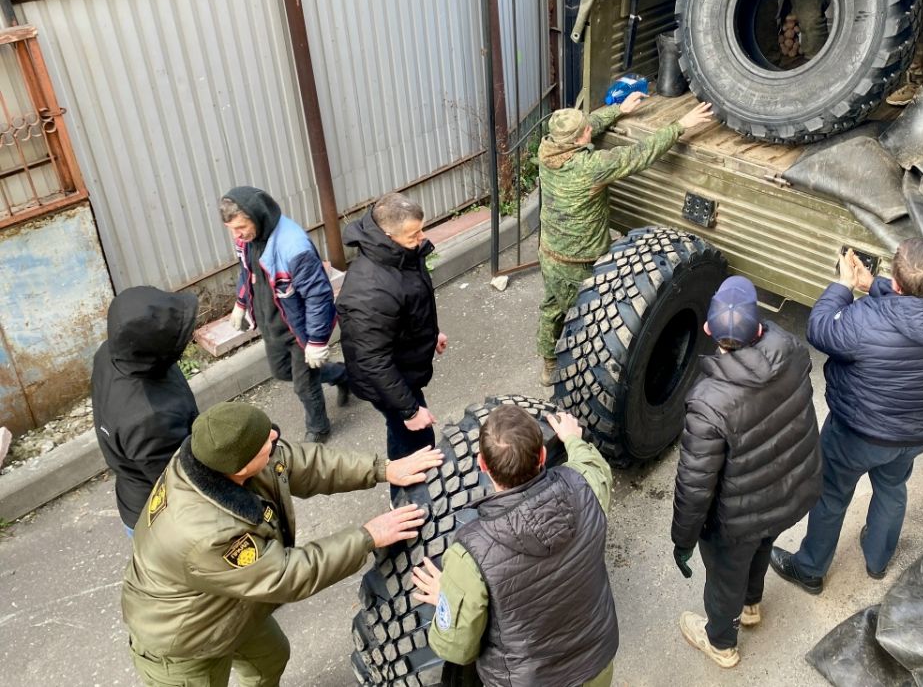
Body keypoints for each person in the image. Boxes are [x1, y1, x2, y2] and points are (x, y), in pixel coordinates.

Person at [122, 401, 441, 687]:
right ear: (240, 468)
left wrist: (383, 469)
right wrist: (367, 536)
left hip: (230, 606)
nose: (275, 438)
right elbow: (285, 575)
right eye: (266, 443)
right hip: (184, 638)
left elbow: (298, 463)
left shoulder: (217, 454)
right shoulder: (207, 535)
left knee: (270, 659)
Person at [770, 238, 923, 592]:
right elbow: (917, 306)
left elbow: (820, 329)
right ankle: (877, 560)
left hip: (857, 433)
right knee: (892, 487)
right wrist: (874, 286)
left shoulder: (866, 320)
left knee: (831, 494)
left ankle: (809, 569)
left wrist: (843, 286)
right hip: (919, 433)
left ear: (897, 285)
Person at [671, 276, 823, 669]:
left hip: (737, 517)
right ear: (758, 327)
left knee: (726, 576)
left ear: (708, 330)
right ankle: (752, 605)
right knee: (762, 542)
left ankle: (720, 643)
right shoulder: (791, 350)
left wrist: (683, 539)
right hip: (787, 492)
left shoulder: (708, 403)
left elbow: (695, 485)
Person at [411, 407, 618, 686]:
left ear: (482, 464)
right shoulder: (586, 488)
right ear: (542, 456)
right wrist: (573, 439)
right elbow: (594, 466)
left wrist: (448, 598)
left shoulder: (470, 555)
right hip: (597, 666)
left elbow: (458, 649)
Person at [537, 94, 714, 384]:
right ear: (575, 141)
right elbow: (639, 154)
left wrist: (619, 109)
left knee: (552, 306)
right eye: (584, 131)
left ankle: (548, 363)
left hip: (549, 252)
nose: (589, 129)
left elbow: (590, 123)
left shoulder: (548, 149)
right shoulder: (590, 166)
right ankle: (584, 374)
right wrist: (681, 125)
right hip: (578, 262)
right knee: (588, 319)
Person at [337, 192, 445, 505]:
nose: (422, 238)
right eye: (414, 234)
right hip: (388, 381)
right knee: (416, 441)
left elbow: (411, 303)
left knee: (406, 435)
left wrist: (431, 333)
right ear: (388, 235)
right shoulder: (369, 291)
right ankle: (407, 503)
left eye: (421, 229)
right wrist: (409, 410)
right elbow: (373, 361)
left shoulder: (400, 253)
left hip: (400, 368)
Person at [220, 186, 350, 443]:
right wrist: (241, 302)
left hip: (299, 329)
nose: (237, 235)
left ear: (257, 216)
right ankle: (341, 374)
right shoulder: (247, 239)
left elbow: (318, 295)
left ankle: (319, 428)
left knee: (304, 384)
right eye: (231, 229)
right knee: (281, 371)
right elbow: (247, 271)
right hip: (272, 324)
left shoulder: (293, 246)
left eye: (241, 227)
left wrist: (316, 340)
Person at [92, 286, 201, 537]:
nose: (189, 336)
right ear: (152, 345)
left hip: (134, 490)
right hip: (163, 517)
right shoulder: (150, 419)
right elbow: (184, 482)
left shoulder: (114, 353)